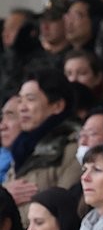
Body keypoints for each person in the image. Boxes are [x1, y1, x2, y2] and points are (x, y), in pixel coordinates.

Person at [4, 72, 80, 217]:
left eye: (30, 99)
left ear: (57, 106)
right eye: (20, 100)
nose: (22, 107)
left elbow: (65, 210)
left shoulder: (72, 149)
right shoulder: (22, 147)